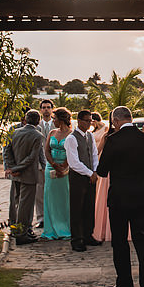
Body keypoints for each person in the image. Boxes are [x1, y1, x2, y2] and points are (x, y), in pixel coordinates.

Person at [96, 106, 144, 287]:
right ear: (130, 118)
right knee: (142, 241)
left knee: (120, 242)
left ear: (115, 121)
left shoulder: (113, 140)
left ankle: (125, 284)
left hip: (120, 197)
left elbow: (102, 171)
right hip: (140, 194)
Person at [3, 110, 43, 245]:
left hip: (16, 174)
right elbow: (32, 158)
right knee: (25, 206)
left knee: (16, 203)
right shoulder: (37, 135)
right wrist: (16, 168)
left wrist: (12, 167)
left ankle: (17, 230)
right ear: (38, 121)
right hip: (28, 174)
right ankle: (22, 234)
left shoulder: (15, 132)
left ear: (26, 119)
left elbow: (7, 151)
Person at [64, 109, 102, 252]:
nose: (89, 123)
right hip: (78, 177)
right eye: (86, 120)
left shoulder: (89, 136)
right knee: (77, 208)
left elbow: (93, 154)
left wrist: (95, 171)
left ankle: (88, 235)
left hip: (90, 176)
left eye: (90, 120)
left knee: (89, 207)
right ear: (79, 121)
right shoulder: (71, 138)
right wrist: (88, 173)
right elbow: (73, 162)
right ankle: (77, 239)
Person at [40, 107, 73, 241]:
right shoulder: (52, 133)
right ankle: (50, 230)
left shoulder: (71, 134)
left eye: (55, 119)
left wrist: (63, 166)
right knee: (50, 199)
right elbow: (46, 150)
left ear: (62, 119)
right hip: (51, 168)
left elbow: (72, 152)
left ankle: (65, 228)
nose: (53, 121)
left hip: (65, 168)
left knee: (65, 198)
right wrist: (53, 164)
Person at [35, 99, 56, 228]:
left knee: (54, 191)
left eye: (48, 107)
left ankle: (54, 216)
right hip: (39, 164)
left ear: (52, 109)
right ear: (40, 110)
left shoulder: (58, 125)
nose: (46, 109)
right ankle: (41, 218)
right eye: (44, 107)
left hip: (55, 162)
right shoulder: (37, 126)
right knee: (40, 191)